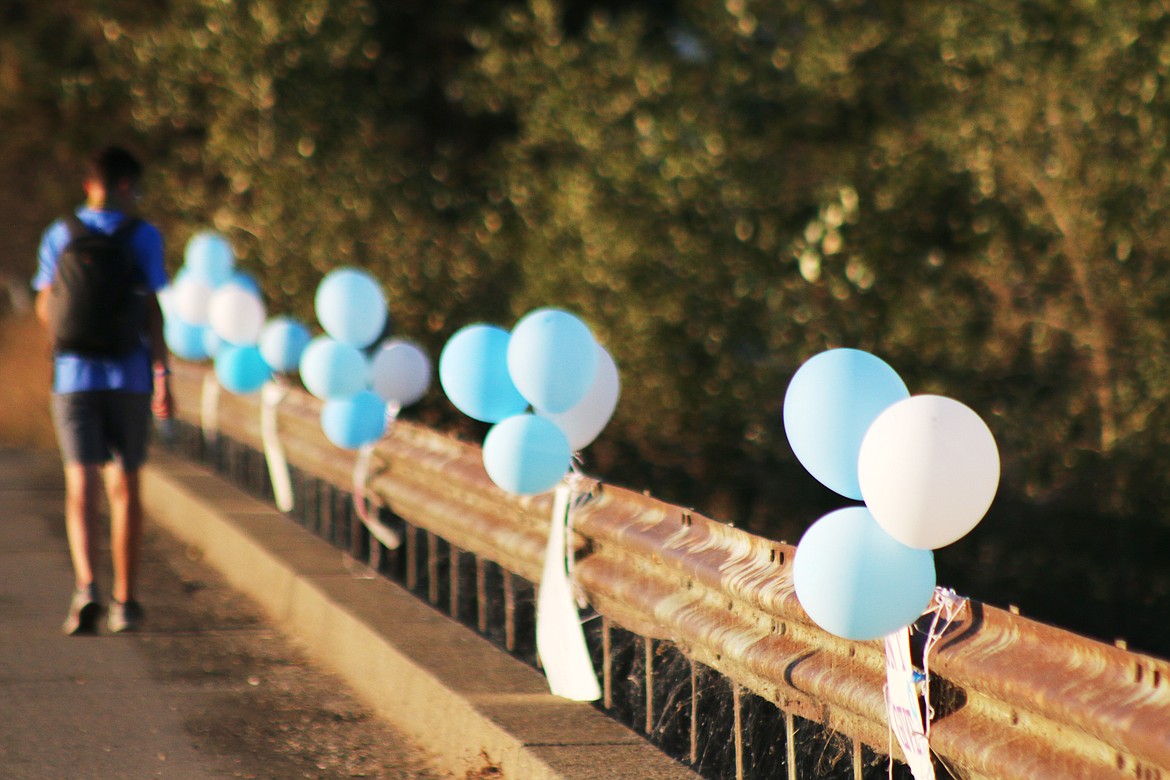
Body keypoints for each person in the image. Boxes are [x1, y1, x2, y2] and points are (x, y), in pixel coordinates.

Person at [32, 145, 174, 634]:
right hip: (129, 377)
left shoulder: (60, 234)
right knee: (125, 485)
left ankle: (86, 587)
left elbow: (45, 306)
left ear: (88, 183)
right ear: (126, 185)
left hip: (73, 378)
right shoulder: (143, 236)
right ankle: (126, 601)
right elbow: (153, 311)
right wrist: (162, 374)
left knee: (81, 483)